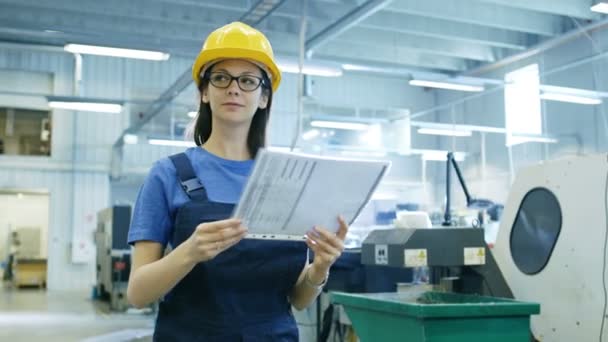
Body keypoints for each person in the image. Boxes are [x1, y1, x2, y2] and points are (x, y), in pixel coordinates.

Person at [126, 22, 349, 341]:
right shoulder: (168, 174)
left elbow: (297, 300)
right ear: (204, 92)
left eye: (247, 81)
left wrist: (319, 269)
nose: (233, 88)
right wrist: (189, 252)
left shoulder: (286, 179)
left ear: (263, 98)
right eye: (221, 78)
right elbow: (137, 293)